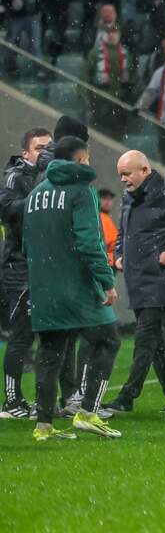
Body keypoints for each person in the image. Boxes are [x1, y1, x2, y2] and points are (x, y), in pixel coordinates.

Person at [21, 136, 122, 442]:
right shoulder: (81, 191)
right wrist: (106, 281)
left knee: (50, 353)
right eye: (87, 159)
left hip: (42, 286)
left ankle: (43, 426)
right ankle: (88, 413)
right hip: (76, 286)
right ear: (80, 160)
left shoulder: (35, 194)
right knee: (108, 341)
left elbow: (26, 244)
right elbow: (89, 242)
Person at [104, 151, 165, 414]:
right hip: (138, 280)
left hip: (159, 281)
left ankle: (127, 396)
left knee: (145, 338)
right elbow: (123, 233)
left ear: (145, 171)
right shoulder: (130, 198)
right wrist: (118, 256)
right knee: (157, 344)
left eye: (127, 174)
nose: (123, 180)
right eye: (121, 175)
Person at [0, 126, 55, 419]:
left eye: (49, 147)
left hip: (46, 267)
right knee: (21, 336)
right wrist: (42, 191)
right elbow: (8, 210)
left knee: (51, 336)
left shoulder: (52, 177)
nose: (45, 152)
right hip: (19, 268)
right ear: (25, 153)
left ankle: (49, 400)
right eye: (39, 148)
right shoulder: (15, 177)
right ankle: (12, 402)